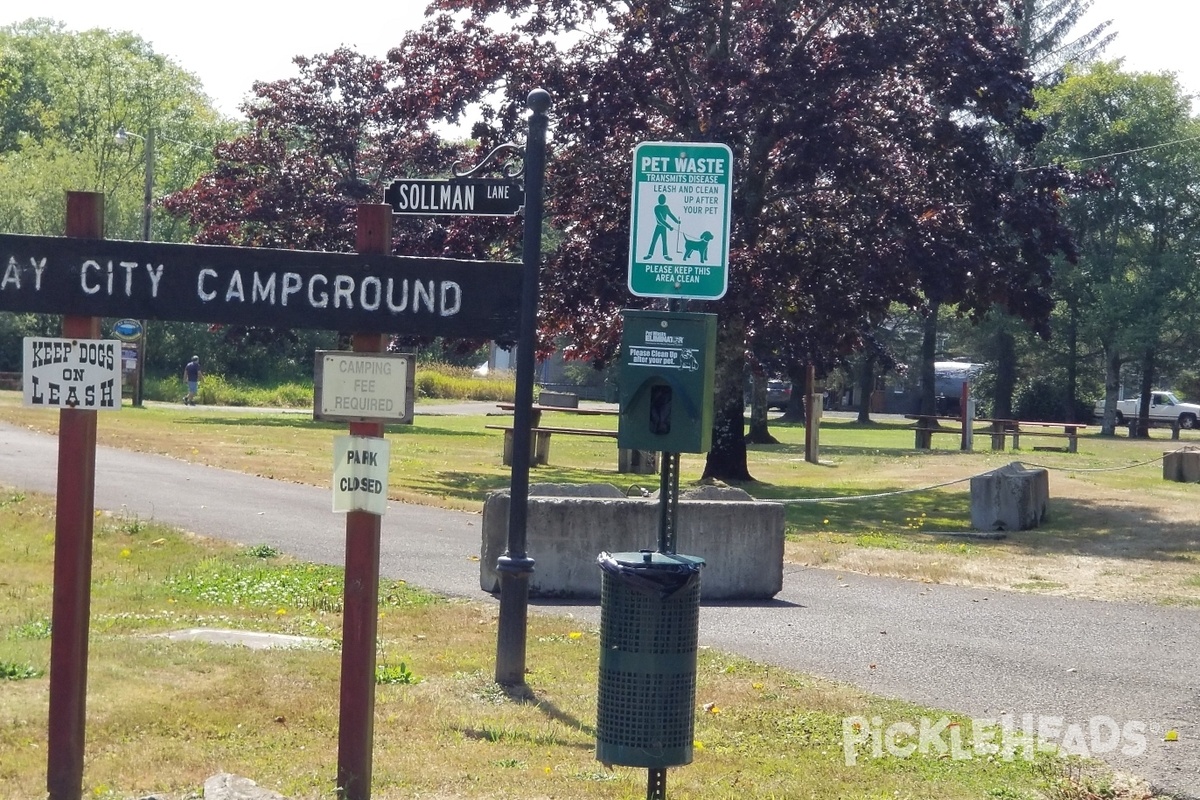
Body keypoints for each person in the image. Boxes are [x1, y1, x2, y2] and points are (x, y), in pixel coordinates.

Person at [643, 193, 681, 260]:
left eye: (663, 199)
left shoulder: (666, 207)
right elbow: (660, 220)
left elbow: (670, 215)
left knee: (664, 241)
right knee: (654, 240)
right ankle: (650, 254)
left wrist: (676, 221)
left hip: (664, 228)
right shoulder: (656, 208)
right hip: (659, 226)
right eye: (661, 199)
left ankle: (665, 255)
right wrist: (669, 227)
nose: (662, 200)